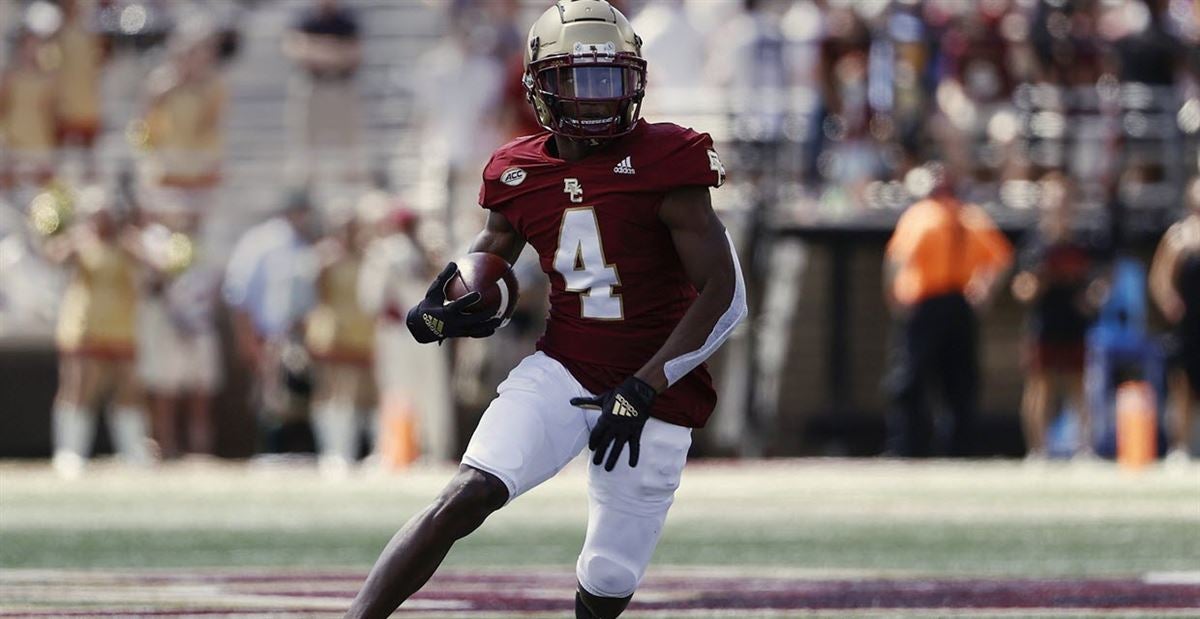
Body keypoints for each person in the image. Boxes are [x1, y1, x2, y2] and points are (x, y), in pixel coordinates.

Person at [344, 2, 747, 617]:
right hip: (564, 368)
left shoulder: (670, 160)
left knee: (608, 578)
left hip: (658, 388)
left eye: (609, 78)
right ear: (539, 85)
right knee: (465, 494)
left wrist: (645, 385)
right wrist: (447, 305)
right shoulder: (517, 171)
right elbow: (490, 265)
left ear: (634, 80)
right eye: (577, 80)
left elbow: (727, 297)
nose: (594, 98)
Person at [883, 163, 1014, 458]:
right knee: (957, 382)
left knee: (915, 379)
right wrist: (984, 291)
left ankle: (909, 446)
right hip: (955, 306)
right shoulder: (969, 215)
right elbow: (1002, 258)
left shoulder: (923, 216)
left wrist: (894, 298)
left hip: (928, 305)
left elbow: (895, 262)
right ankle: (956, 448)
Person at [43, 186, 152, 477]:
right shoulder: (82, 241)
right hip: (85, 328)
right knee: (79, 389)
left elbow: (157, 267)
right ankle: (69, 452)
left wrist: (132, 239)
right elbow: (54, 257)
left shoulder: (128, 243)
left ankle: (133, 451)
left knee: (128, 391)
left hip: (122, 330)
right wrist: (70, 235)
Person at [1011, 174, 1103, 459]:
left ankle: (1085, 449)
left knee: (1079, 384)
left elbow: (1097, 284)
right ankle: (1037, 450)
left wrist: (1091, 299)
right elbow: (1021, 289)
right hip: (1045, 323)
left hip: (1074, 324)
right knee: (1041, 385)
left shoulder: (1084, 242)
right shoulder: (1034, 243)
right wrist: (1039, 282)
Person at [223, 190, 319, 455]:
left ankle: (295, 452)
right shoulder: (262, 242)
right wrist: (248, 339)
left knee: (298, 398)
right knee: (272, 399)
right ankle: (270, 451)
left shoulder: (306, 242)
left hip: (301, 335)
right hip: (269, 334)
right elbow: (239, 294)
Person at [305, 204, 378, 475]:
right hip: (333, 333)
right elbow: (318, 296)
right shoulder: (324, 258)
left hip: (364, 335)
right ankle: (334, 452)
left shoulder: (368, 257)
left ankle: (362, 452)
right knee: (333, 394)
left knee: (364, 396)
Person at [140, 23, 226, 215]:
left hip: (199, 165)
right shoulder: (160, 82)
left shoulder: (213, 84)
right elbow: (146, 119)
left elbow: (210, 122)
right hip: (167, 165)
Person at [282, 0, 364, 188]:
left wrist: (316, 48)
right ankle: (305, 193)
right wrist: (334, 50)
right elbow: (295, 48)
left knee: (350, 149)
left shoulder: (348, 19)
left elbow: (354, 54)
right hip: (313, 86)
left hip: (342, 86)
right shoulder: (304, 17)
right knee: (306, 149)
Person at [1149, 178, 1200, 463]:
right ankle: (1179, 447)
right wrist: (1169, 301)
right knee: (1182, 386)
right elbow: (1160, 277)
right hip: (1188, 322)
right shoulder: (1180, 236)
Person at [52, 0, 107, 182]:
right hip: (63, 104)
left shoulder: (92, 33)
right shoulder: (58, 32)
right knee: (58, 156)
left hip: (87, 103)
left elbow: (101, 61)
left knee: (89, 157)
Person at [0, 28, 58, 194]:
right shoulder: (10, 76)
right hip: (15, 142)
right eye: (28, 45)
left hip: (40, 142)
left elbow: (51, 113)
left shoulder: (48, 78)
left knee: (42, 191)